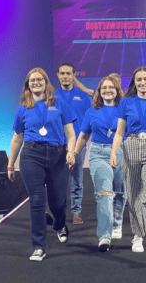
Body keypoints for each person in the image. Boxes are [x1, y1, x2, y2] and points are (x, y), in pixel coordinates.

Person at [7, 67, 76, 261]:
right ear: (27, 85)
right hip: (31, 154)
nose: (36, 83)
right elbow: (16, 139)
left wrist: (71, 151)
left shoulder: (60, 104)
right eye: (32, 80)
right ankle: (39, 246)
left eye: (39, 80)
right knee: (37, 201)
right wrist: (11, 164)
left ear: (46, 82)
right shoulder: (22, 108)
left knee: (58, 201)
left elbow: (70, 134)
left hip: (58, 154)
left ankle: (59, 224)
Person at [110, 66, 146, 262]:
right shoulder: (126, 102)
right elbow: (119, 132)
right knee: (134, 195)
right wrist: (113, 153)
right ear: (134, 83)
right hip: (131, 147)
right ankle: (137, 235)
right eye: (139, 80)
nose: (143, 83)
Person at [72, 76, 127, 252]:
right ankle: (104, 235)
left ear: (117, 90)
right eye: (103, 88)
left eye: (111, 87)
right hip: (98, 153)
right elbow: (83, 136)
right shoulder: (92, 111)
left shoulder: (124, 108)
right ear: (99, 91)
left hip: (119, 152)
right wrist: (74, 154)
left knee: (120, 192)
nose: (107, 90)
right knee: (104, 193)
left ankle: (117, 223)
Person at [55, 63, 92, 224]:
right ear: (57, 75)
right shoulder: (52, 95)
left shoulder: (84, 96)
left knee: (77, 180)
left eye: (68, 73)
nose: (65, 76)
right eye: (62, 73)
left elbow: (90, 119)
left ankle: (76, 212)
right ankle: (59, 213)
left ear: (73, 75)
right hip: (57, 144)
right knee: (58, 181)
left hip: (77, 144)